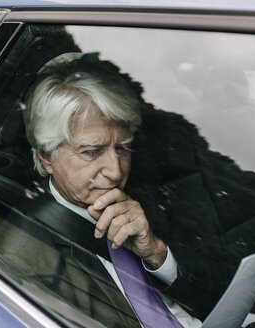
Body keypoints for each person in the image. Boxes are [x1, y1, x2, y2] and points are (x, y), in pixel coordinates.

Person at [18, 53, 201, 328]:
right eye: (92, 151)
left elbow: (212, 285)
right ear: (47, 156)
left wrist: (156, 253)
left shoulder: (151, 199)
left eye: (123, 147)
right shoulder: (31, 255)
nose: (116, 171)